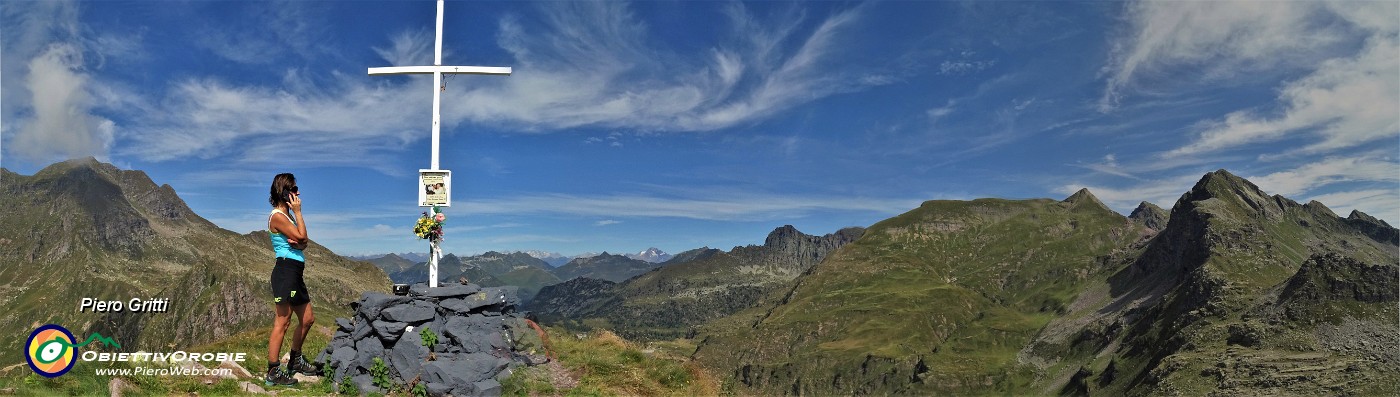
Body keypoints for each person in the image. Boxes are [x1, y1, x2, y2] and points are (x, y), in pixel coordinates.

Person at [264, 173, 317, 386]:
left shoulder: (287, 216)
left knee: (307, 319)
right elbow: (302, 237)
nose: (298, 193)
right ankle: (273, 371)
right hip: (285, 271)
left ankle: (294, 361)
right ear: (284, 192)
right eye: (294, 189)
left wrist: (301, 241)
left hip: (294, 272)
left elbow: (304, 241)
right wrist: (298, 211)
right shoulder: (278, 215)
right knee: (283, 321)